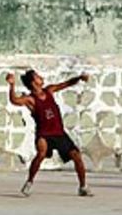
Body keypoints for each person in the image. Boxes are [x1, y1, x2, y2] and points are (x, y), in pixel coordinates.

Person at [7, 69, 92, 197]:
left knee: (77, 156)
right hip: (44, 134)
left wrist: (79, 78)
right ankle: (29, 182)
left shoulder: (49, 90)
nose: (41, 77)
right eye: (37, 77)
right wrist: (12, 85)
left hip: (59, 133)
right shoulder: (30, 99)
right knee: (41, 153)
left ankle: (83, 187)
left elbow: (66, 84)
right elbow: (14, 100)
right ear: (33, 82)